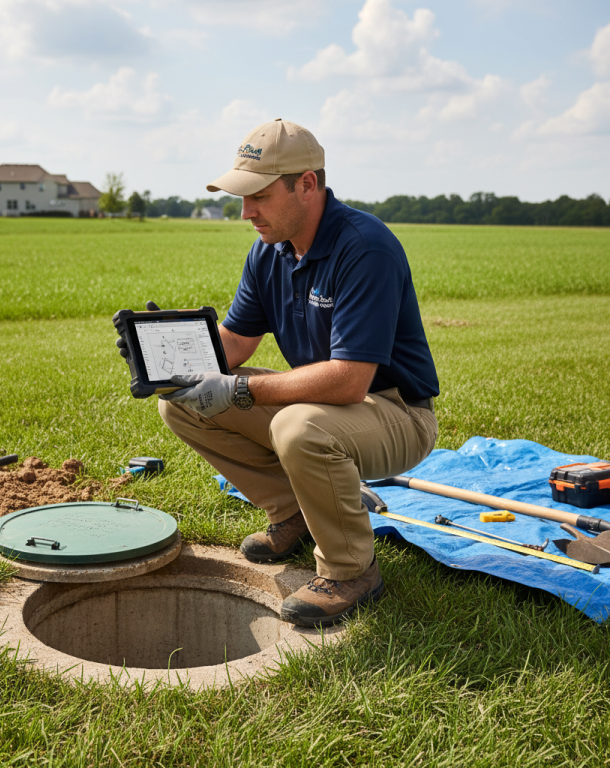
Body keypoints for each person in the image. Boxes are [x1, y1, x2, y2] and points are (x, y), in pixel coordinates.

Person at [118, 119, 439, 627]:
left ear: (306, 185)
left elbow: (350, 380)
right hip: (327, 405)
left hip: (395, 411)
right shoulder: (268, 250)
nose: (246, 213)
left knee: (296, 426)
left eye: (259, 197)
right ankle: (292, 513)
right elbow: (235, 344)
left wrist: (239, 391)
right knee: (178, 402)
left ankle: (352, 569)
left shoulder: (365, 247)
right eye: (242, 199)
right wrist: (164, 360)